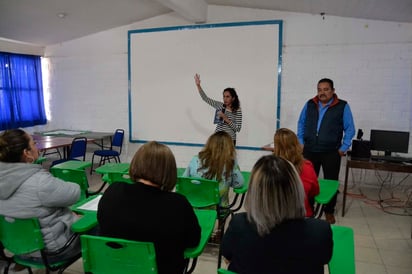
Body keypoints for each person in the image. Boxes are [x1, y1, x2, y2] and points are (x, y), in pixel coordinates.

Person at [97, 141, 201, 274]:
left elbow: (103, 223)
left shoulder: (113, 190)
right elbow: (193, 241)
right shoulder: (178, 204)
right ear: (169, 171)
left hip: (112, 268)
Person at [221, 155, 333, 274]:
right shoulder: (320, 231)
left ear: (255, 192)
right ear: (297, 190)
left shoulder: (239, 224)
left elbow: (227, 256)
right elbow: (324, 258)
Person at [0, 129, 81, 261]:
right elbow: (75, 193)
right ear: (27, 153)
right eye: (34, 144)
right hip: (51, 252)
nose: (36, 147)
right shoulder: (40, 182)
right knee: (96, 227)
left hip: (16, 249)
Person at [297, 78, 355, 224]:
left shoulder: (342, 106)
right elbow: (301, 123)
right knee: (308, 180)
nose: (322, 92)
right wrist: (301, 142)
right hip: (310, 150)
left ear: (333, 91)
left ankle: (329, 211)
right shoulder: (310, 104)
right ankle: (308, 208)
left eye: (326, 89)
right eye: (319, 89)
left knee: (331, 181)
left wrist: (344, 147)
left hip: (331, 152)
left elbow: (350, 128)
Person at [183, 131, 244, 242]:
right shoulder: (230, 163)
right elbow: (239, 183)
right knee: (221, 202)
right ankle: (219, 232)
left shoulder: (195, 160)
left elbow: (184, 180)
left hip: (194, 205)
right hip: (219, 209)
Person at [273, 128, 319, 217]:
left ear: (276, 147)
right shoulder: (307, 166)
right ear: (296, 144)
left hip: (274, 217)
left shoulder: (268, 167)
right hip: (301, 216)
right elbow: (315, 191)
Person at [194, 73, 242, 145]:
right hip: (217, 139)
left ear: (233, 98)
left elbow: (238, 129)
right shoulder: (220, 105)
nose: (225, 99)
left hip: (229, 140)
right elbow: (205, 98)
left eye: (227, 97)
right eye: (224, 96)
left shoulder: (237, 110)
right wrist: (198, 85)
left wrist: (226, 119)